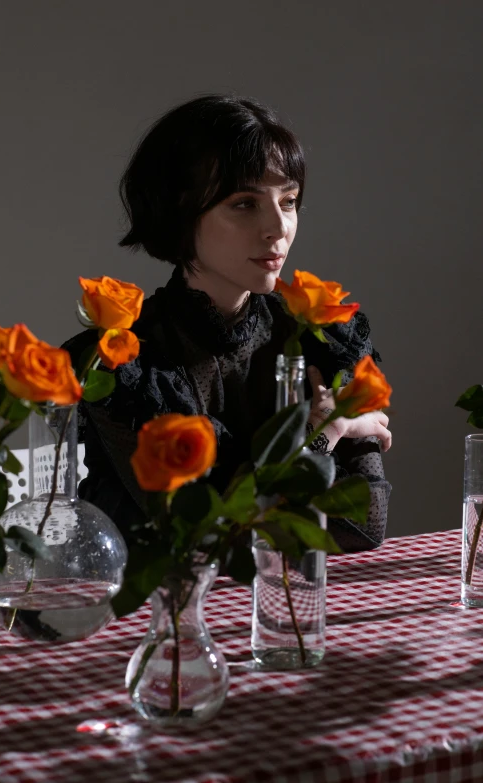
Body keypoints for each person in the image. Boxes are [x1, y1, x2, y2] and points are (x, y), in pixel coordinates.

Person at [66, 94, 392, 553]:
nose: (278, 228)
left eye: (290, 201)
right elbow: (205, 538)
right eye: (244, 204)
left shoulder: (323, 334)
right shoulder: (123, 363)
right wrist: (328, 432)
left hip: (282, 611)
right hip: (149, 617)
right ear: (181, 210)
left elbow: (362, 526)